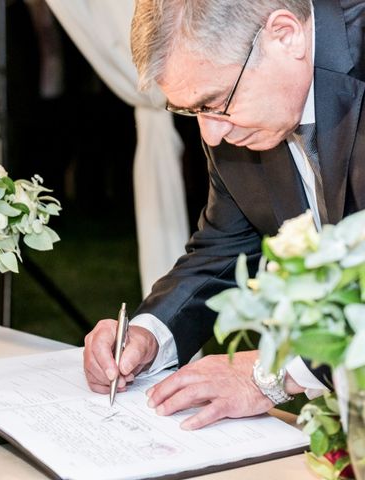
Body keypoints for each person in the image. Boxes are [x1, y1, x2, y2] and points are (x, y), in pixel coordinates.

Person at [84, 0, 365, 430]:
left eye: (214, 103)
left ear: (285, 35)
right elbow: (224, 249)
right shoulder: (231, 114)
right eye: (191, 110)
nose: (211, 134)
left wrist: (274, 373)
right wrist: (148, 334)